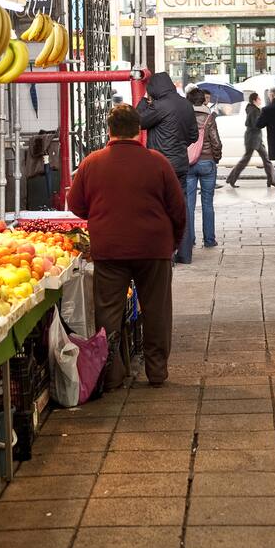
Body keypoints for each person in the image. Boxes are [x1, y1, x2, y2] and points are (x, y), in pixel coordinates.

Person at [68, 105, 186, 389]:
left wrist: (101, 216)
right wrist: (173, 242)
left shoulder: (92, 162)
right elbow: (178, 209)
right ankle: (156, 371)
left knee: (108, 312)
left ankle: (112, 374)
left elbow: (76, 205)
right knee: (156, 310)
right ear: (139, 131)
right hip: (153, 247)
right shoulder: (157, 162)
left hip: (109, 248)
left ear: (110, 130)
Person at [136, 72, 198, 263]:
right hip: (180, 164)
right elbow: (193, 136)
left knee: (162, 208)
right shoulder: (186, 104)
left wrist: (143, 102)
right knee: (182, 207)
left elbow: (138, 121)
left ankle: (166, 255)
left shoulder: (159, 106)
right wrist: (179, 146)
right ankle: (185, 253)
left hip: (161, 165)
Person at [181, 87, 222, 258]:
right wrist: (216, 158)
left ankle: (189, 240)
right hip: (207, 161)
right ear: (203, 100)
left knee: (189, 204)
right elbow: (216, 142)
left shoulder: (183, 117)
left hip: (189, 163)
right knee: (207, 202)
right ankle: (210, 239)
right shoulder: (209, 117)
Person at [226, 92, 275, 188]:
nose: (260, 101)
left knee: (264, 159)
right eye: (259, 99)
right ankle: (231, 179)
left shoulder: (252, 109)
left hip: (254, 138)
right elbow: (255, 124)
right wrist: (264, 119)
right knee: (249, 160)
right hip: (253, 139)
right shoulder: (254, 111)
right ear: (254, 100)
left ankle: (272, 180)